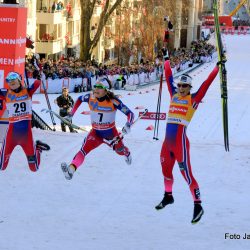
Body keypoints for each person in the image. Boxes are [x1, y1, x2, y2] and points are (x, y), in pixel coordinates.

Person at [155, 48, 220, 224]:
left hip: (180, 143)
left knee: (187, 175)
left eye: (185, 86)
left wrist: (217, 68)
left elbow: (206, 84)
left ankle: (198, 205)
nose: (181, 88)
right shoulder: (174, 95)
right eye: (180, 85)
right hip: (167, 144)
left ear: (190, 87)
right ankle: (168, 196)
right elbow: (168, 76)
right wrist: (166, 59)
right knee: (165, 171)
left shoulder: (194, 98)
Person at [61, 78, 134, 180]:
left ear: (105, 90)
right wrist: (71, 114)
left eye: (99, 87)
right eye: (95, 86)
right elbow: (79, 99)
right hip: (95, 133)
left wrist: (128, 124)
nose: (95, 89)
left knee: (120, 151)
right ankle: (70, 170)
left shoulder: (113, 101)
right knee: (83, 150)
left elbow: (130, 113)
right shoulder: (90, 97)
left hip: (111, 135)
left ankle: (127, 153)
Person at [0, 72, 50, 172]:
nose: (11, 82)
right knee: (2, 166)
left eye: (14, 80)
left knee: (34, 168)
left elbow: (37, 82)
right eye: (9, 81)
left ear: (19, 80)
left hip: (26, 136)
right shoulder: (5, 93)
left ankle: (38, 148)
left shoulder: (28, 91)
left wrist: (39, 74)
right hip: (11, 136)